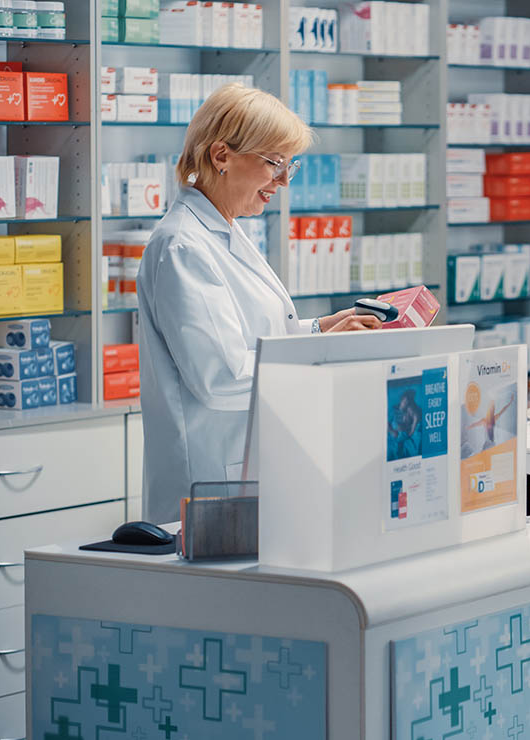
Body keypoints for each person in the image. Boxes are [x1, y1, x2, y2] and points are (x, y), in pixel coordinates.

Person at [138, 84, 380, 523]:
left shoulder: (224, 230)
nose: (284, 181)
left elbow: (253, 338)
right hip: (212, 480)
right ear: (221, 156)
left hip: (250, 467)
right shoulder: (182, 247)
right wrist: (319, 356)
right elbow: (220, 378)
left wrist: (319, 331)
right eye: (274, 163)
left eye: (291, 166)